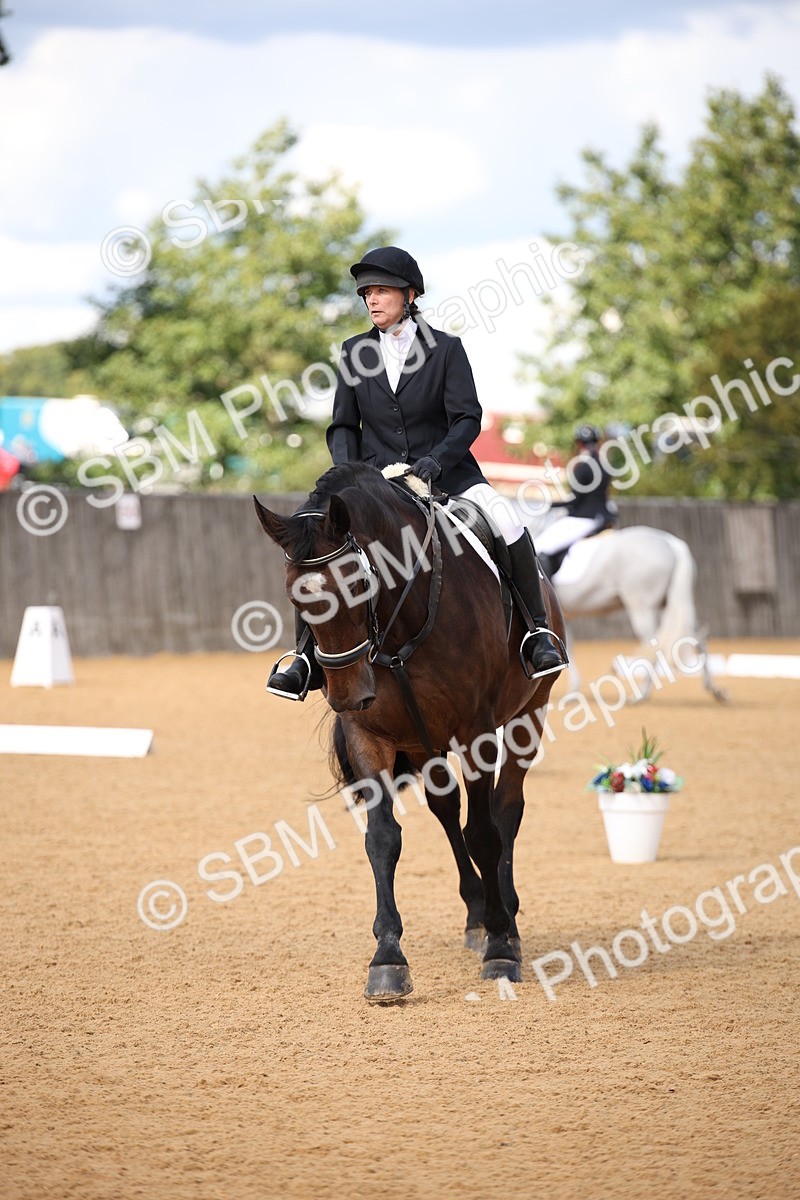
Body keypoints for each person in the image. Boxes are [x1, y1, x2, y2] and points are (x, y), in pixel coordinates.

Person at [267, 246, 567, 700]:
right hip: (374, 483)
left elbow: (467, 417)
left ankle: (536, 634)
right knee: (314, 540)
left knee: (506, 518)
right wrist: (348, 476)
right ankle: (305, 657)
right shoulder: (354, 351)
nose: (372, 300)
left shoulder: (445, 348)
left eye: (382, 291)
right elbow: (344, 425)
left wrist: (438, 460)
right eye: (366, 292)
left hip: (446, 475)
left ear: (409, 295)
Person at [535, 424, 616, 574]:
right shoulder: (604, 465)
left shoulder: (582, 466)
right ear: (597, 441)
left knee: (540, 547)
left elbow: (575, 500)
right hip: (604, 517)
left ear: (579, 443)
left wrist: (551, 505)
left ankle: (543, 595)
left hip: (583, 518)